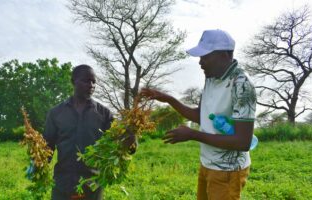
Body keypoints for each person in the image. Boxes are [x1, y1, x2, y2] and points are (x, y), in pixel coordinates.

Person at [140, 29, 256, 200]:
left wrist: (193, 134)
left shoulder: (242, 85)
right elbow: (201, 116)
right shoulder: (211, 78)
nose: (201, 63)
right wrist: (169, 99)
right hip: (208, 163)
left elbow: (242, 142)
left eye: (205, 57)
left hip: (227, 171)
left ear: (224, 55)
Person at [43, 64, 136, 200]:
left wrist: (131, 141)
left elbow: (119, 144)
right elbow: (47, 147)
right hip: (63, 186)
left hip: (92, 186)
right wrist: (37, 162)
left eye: (94, 82)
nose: (91, 85)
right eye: (86, 81)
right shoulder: (56, 113)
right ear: (74, 81)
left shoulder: (104, 114)